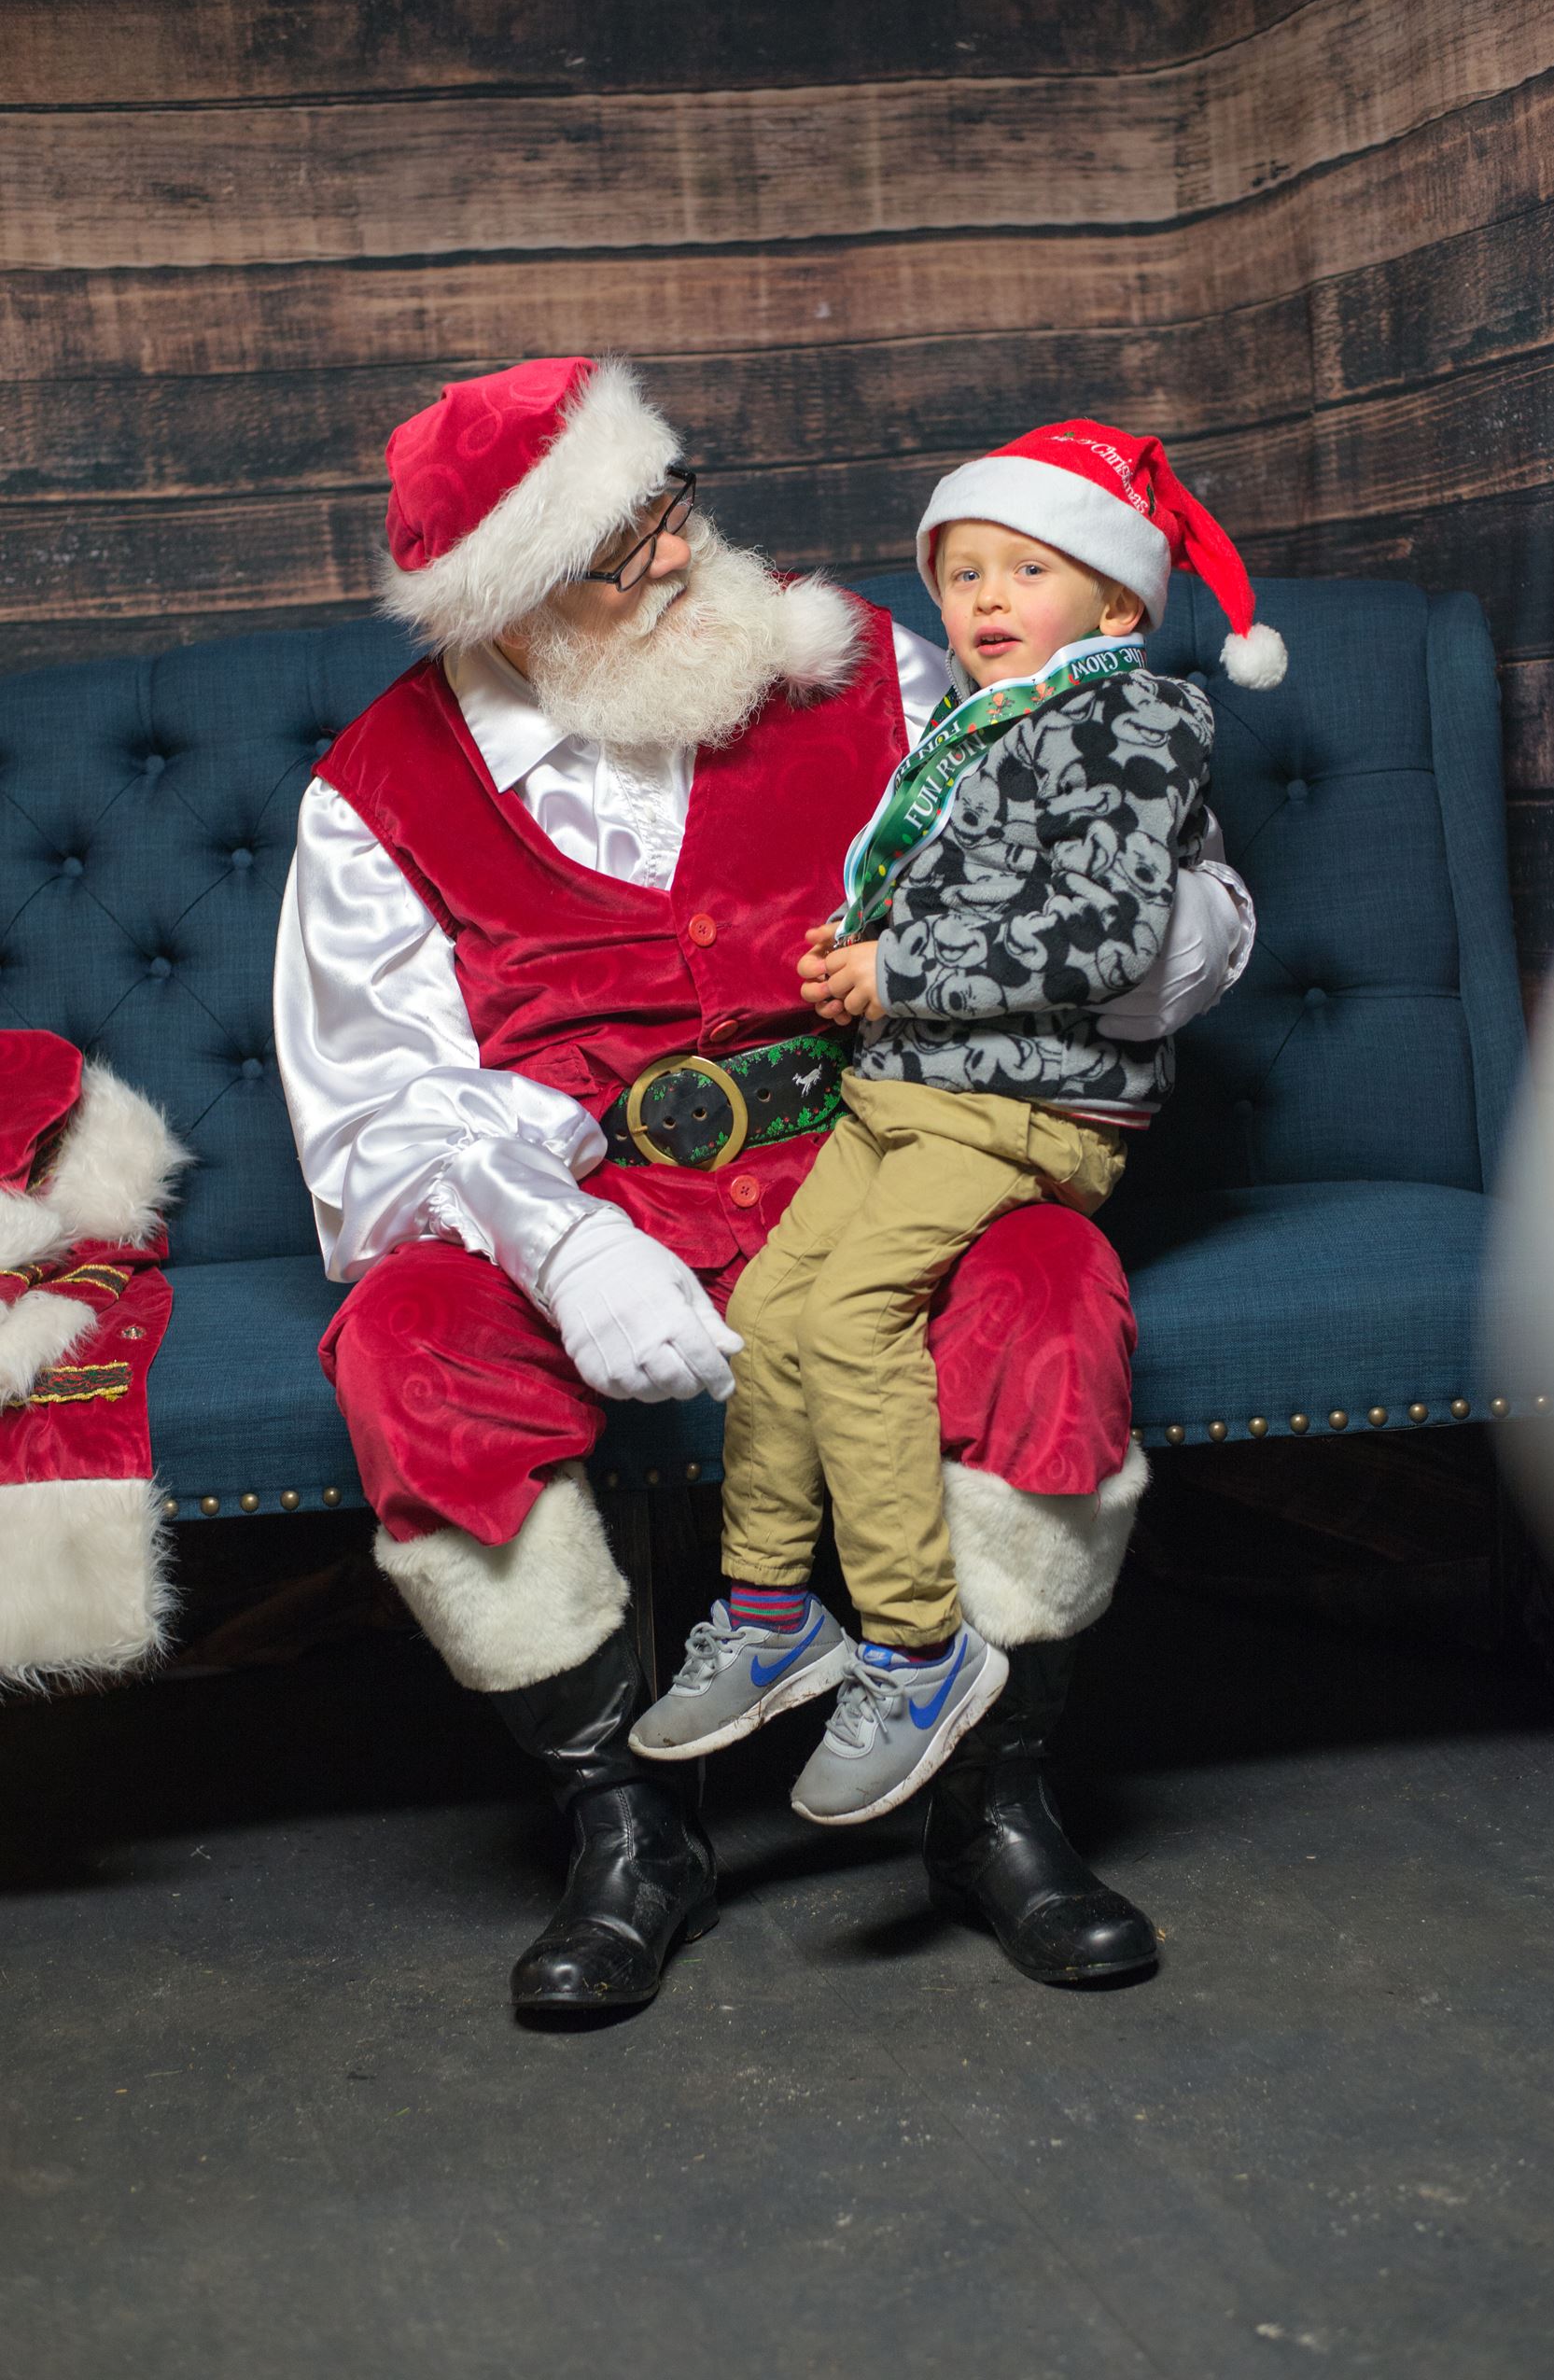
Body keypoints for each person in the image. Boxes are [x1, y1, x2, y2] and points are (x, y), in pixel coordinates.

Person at [273, 360, 1255, 2012]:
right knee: (406, 1345)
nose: (676, 555)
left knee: (1047, 1289)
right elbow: (374, 1117)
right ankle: (628, 1825)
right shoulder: (374, 791)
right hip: (590, 1192)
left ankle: (988, 1797)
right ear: (506, 602)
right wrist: (566, 1247)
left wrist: (1143, 944)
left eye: (671, 504)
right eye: (620, 549)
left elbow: (1143, 873)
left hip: (893, 1134)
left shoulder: (868, 663)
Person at [631, 422, 1284, 1860]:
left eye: (1027, 570)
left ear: (1116, 600)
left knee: (853, 1319)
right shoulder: (983, 722)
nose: (986, 597)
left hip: (1022, 1105)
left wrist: (904, 969)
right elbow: (964, 890)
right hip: (904, 1089)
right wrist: (852, 958)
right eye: (964, 571)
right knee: (771, 1313)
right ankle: (768, 1612)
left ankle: (918, 1651)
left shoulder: (1132, 720)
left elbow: (1108, 934)